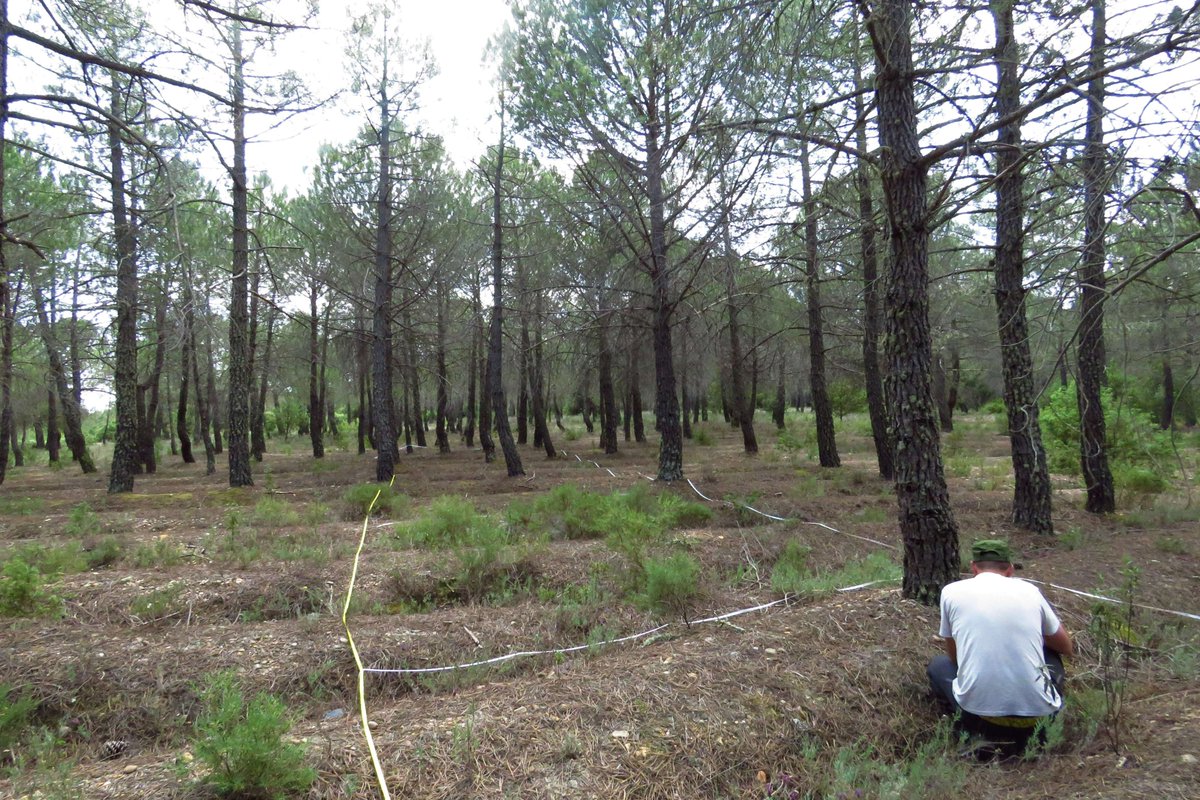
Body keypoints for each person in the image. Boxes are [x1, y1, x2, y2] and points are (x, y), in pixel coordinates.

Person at [927, 539, 1073, 752]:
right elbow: (1066, 647)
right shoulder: (1030, 591)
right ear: (1010, 570)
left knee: (939, 666)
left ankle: (970, 733)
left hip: (979, 717)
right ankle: (1041, 731)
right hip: (1039, 721)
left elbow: (955, 656)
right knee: (1051, 654)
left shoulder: (951, 592)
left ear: (974, 567)